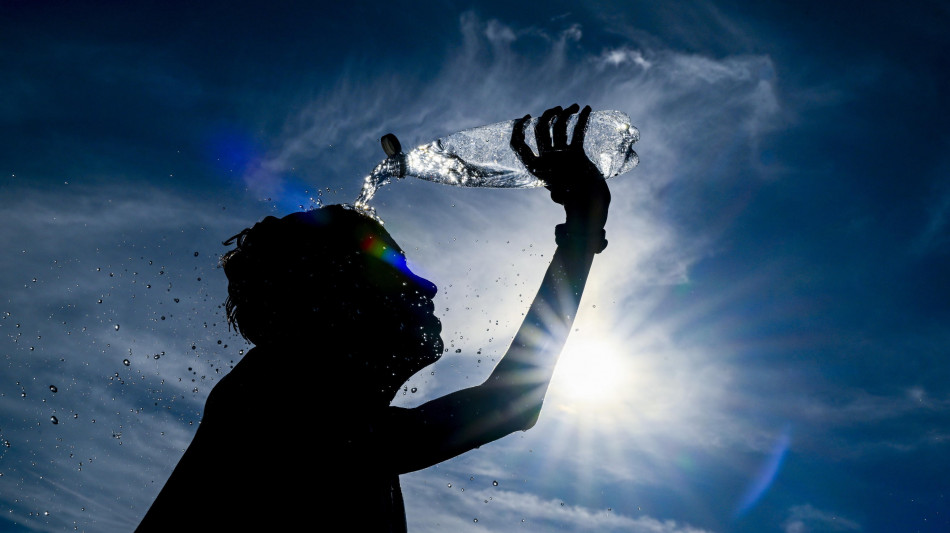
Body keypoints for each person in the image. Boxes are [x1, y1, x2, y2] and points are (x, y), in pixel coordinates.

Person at [135, 104, 611, 531]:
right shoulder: (268, 398)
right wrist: (581, 229)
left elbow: (508, 404)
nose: (429, 287)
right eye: (397, 272)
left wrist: (582, 229)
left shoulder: (348, 444)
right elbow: (507, 405)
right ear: (333, 298)